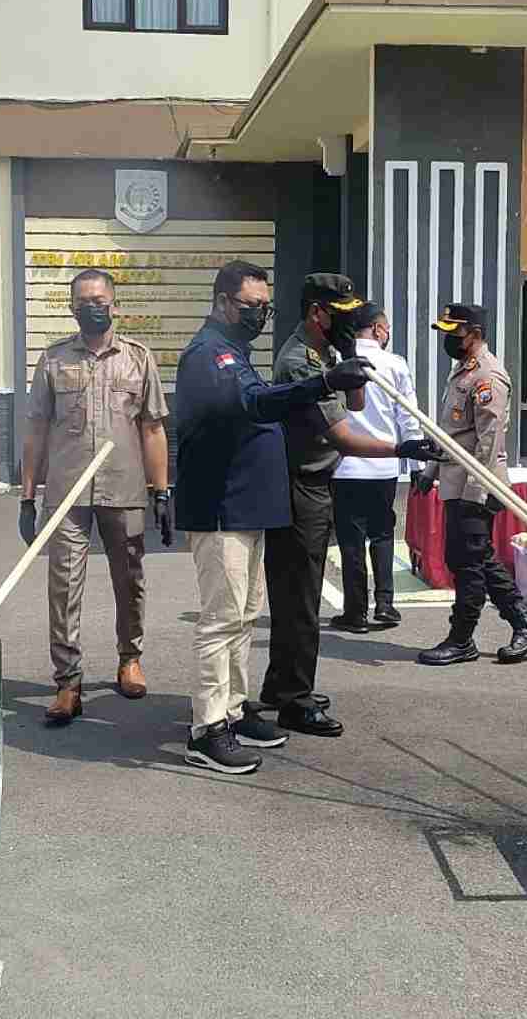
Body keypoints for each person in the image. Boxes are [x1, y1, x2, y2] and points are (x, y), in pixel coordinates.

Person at [174, 260, 372, 774]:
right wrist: (322, 381)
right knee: (221, 621)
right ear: (223, 302)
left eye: (265, 306)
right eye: (251, 306)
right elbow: (255, 403)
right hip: (220, 506)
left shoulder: (235, 351)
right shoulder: (209, 353)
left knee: (243, 618)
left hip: (246, 505)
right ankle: (206, 729)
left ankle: (233, 710)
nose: (260, 315)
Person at [263, 275, 445, 736]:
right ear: (316, 313)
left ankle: (281, 685)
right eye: (339, 314)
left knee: (298, 591)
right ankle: (295, 700)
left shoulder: (326, 353)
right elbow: (341, 436)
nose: (348, 322)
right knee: (301, 596)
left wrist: (348, 360)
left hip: (318, 481)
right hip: (301, 485)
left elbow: (356, 405)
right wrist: (401, 449)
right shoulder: (299, 362)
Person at [21, 268, 171, 724]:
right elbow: (36, 431)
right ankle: (68, 681)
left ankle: (130, 658)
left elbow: (152, 428)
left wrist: (161, 492)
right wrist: (27, 497)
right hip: (67, 494)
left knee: (129, 578)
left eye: (100, 300)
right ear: (72, 308)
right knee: (63, 586)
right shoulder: (52, 359)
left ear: (114, 304)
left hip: (123, 488)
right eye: (84, 301)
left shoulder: (138, 358)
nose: (92, 307)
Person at [415, 303, 527, 667]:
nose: (448, 339)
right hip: (457, 480)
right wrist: (430, 471)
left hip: (477, 484)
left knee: (468, 564)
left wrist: (476, 490)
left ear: (475, 334)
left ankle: (461, 639)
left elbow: (489, 441)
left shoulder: (488, 376)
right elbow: (451, 433)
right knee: (475, 557)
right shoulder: (463, 370)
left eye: (454, 333)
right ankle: (525, 625)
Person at [329, 308, 420, 634]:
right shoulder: (395, 364)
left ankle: (356, 612)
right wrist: (417, 464)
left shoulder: (336, 359)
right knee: (382, 534)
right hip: (384, 465)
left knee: (351, 541)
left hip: (345, 465)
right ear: (379, 329)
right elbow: (408, 415)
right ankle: (385, 604)